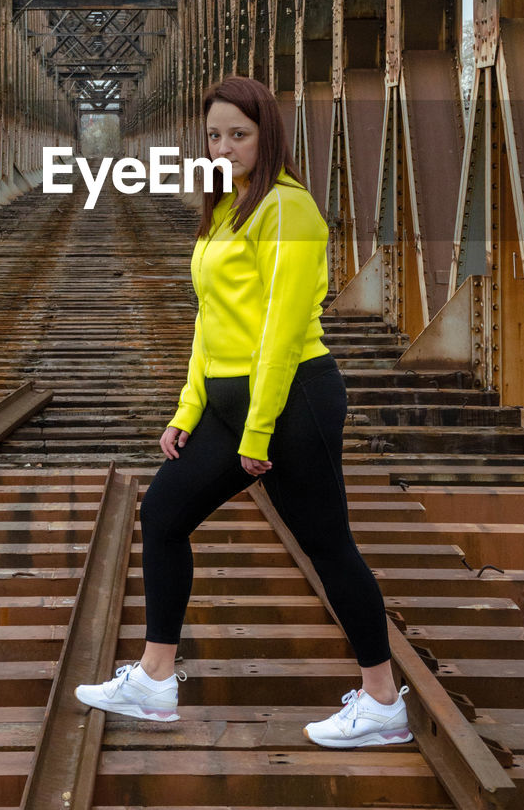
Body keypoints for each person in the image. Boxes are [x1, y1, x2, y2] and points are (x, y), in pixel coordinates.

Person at [75, 75, 412, 749]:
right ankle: (154, 680)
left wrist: (258, 431)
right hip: (231, 402)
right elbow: (212, 322)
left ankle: (382, 701)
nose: (224, 147)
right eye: (214, 135)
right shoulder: (228, 209)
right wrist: (187, 408)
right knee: (163, 513)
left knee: (328, 545)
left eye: (239, 135)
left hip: (292, 401)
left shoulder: (288, 210)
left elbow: (282, 332)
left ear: (268, 137)